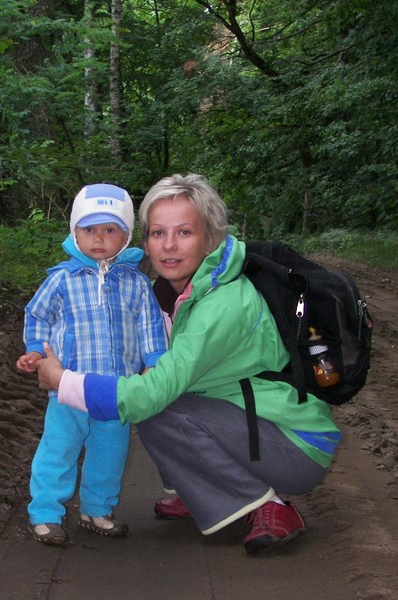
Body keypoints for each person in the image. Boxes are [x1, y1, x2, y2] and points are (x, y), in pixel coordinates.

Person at [36, 173, 342, 555]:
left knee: (158, 408)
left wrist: (64, 381)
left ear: (209, 237)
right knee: (165, 401)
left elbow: (151, 393)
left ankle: (271, 507)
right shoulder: (175, 292)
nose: (169, 246)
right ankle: (200, 492)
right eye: (158, 233)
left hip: (295, 443)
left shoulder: (224, 302)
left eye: (184, 233)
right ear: (144, 240)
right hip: (254, 425)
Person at [17, 183, 168, 546]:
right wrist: (36, 350)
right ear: (75, 233)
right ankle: (46, 512)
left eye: (109, 230)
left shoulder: (136, 283)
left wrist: (155, 363)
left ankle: (97, 508)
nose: (98, 238)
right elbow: (36, 315)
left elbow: (150, 327)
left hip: (115, 391)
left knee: (110, 452)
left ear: (126, 236)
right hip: (66, 385)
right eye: (89, 229)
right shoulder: (62, 279)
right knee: (60, 448)